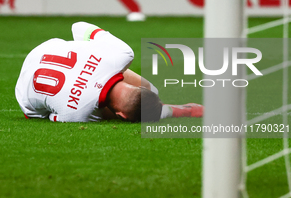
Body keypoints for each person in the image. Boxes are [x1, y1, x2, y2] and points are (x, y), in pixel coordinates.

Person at [15, 22, 203, 123]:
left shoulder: (123, 53)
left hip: (46, 49)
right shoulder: (79, 114)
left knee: (147, 92)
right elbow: (49, 116)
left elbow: (77, 27)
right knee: (146, 98)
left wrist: (87, 56)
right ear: (121, 116)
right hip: (24, 94)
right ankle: (171, 111)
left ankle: (168, 109)